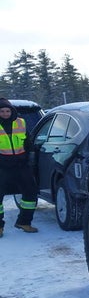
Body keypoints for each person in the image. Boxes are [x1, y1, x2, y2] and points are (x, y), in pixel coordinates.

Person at [0, 97, 39, 236]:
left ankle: (24, 222)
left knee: (31, 192)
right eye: (2, 111)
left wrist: (29, 157)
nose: (5, 113)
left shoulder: (21, 123)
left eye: (7, 110)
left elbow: (28, 142)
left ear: (12, 111)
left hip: (20, 164)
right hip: (2, 167)